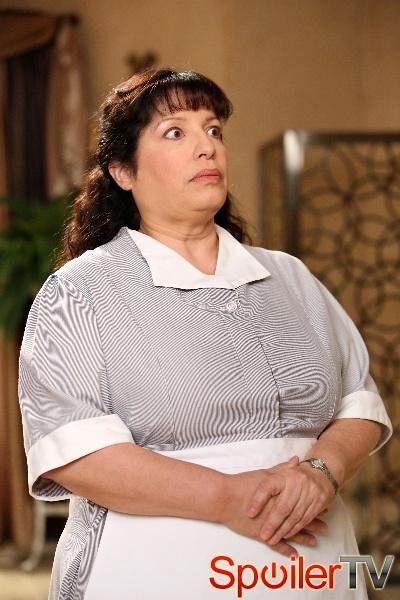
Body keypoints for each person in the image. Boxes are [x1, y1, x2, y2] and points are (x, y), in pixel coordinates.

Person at [18, 67, 392, 600]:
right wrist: (227, 498)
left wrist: (321, 471)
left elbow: (360, 403)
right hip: (157, 575)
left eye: (213, 130)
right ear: (122, 171)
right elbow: (73, 451)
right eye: (175, 132)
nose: (206, 147)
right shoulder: (80, 292)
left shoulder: (290, 277)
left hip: (317, 573)